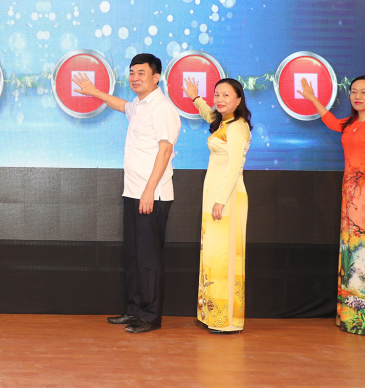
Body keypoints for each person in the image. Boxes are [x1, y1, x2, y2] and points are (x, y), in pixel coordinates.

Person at [73, 53, 181, 334]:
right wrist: (93, 91)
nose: (134, 78)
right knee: (134, 256)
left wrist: (149, 190)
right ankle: (135, 310)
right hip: (133, 192)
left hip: (152, 195)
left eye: (141, 73)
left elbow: (165, 151)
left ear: (156, 77)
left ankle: (150, 316)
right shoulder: (139, 105)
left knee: (149, 258)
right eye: (132, 72)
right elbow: (121, 105)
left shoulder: (162, 108)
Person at [300, 75, 365, 337]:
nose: (358, 96)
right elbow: (333, 123)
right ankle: (351, 316)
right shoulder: (352, 124)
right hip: (350, 198)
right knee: (352, 250)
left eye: (364, 92)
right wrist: (313, 99)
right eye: (354, 91)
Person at [184, 77, 252, 333]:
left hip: (228, 198)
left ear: (238, 99)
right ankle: (211, 314)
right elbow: (208, 113)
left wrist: (221, 201)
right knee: (213, 255)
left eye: (226, 95)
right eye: (217, 95)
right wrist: (195, 98)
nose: (220, 99)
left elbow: (234, 167)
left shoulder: (238, 127)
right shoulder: (224, 121)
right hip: (214, 197)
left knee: (225, 257)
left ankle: (227, 321)